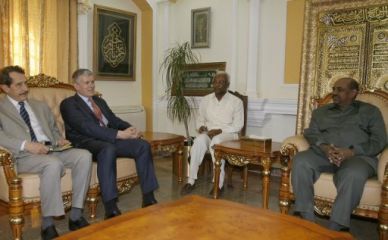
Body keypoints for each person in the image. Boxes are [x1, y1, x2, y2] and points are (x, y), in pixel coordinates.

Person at [0, 66, 92, 240]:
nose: (25, 89)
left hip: (51, 148)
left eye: (25, 83)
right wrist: (26, 145)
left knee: (84, 155)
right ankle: (47, 222)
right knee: (53, 164)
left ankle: (76, 214)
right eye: (18, 85)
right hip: (24, 156)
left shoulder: (39, 105)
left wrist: (59, 140)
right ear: (5, 88)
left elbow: (53, 129)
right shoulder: (1, 108)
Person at [60, 69, 159, 219]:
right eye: (87, 83)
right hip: (86, 143)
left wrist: (129, 129)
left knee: (142, 145)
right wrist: (119, 134)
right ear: (76, 86)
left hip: (109, 139)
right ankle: (110, 206)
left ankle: (148, 197)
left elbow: (113, 120)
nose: (91, 85)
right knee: (108, 149)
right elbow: (87, 127)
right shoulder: (68, 104)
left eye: (92, 82)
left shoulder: (99, 101)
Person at [292, 77, 387, 231]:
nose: (334, 93)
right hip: (323, 155)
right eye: (334, 89)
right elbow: (311, 133)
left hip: (357, 158)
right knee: (300, 160)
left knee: (353, 173)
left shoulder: (370, 112)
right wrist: (324, 147)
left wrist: (351, 151)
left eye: (340, 90)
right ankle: (306, 219)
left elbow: (379, 140)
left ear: (353, 93)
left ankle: (336, 227)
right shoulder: (321, 112)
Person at [181, 71, 244, 195]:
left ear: (228, 85)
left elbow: (238, 126)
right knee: (198, 141)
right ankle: (191, 180)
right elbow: (199, 119)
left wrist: (220, 131)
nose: (218, 85)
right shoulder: (206, 100)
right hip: (209, 133)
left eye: (221, 82)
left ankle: (218, 184)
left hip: (229, 134)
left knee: (216, 141)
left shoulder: (236, 102)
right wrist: (201, 127)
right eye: (215, 82)